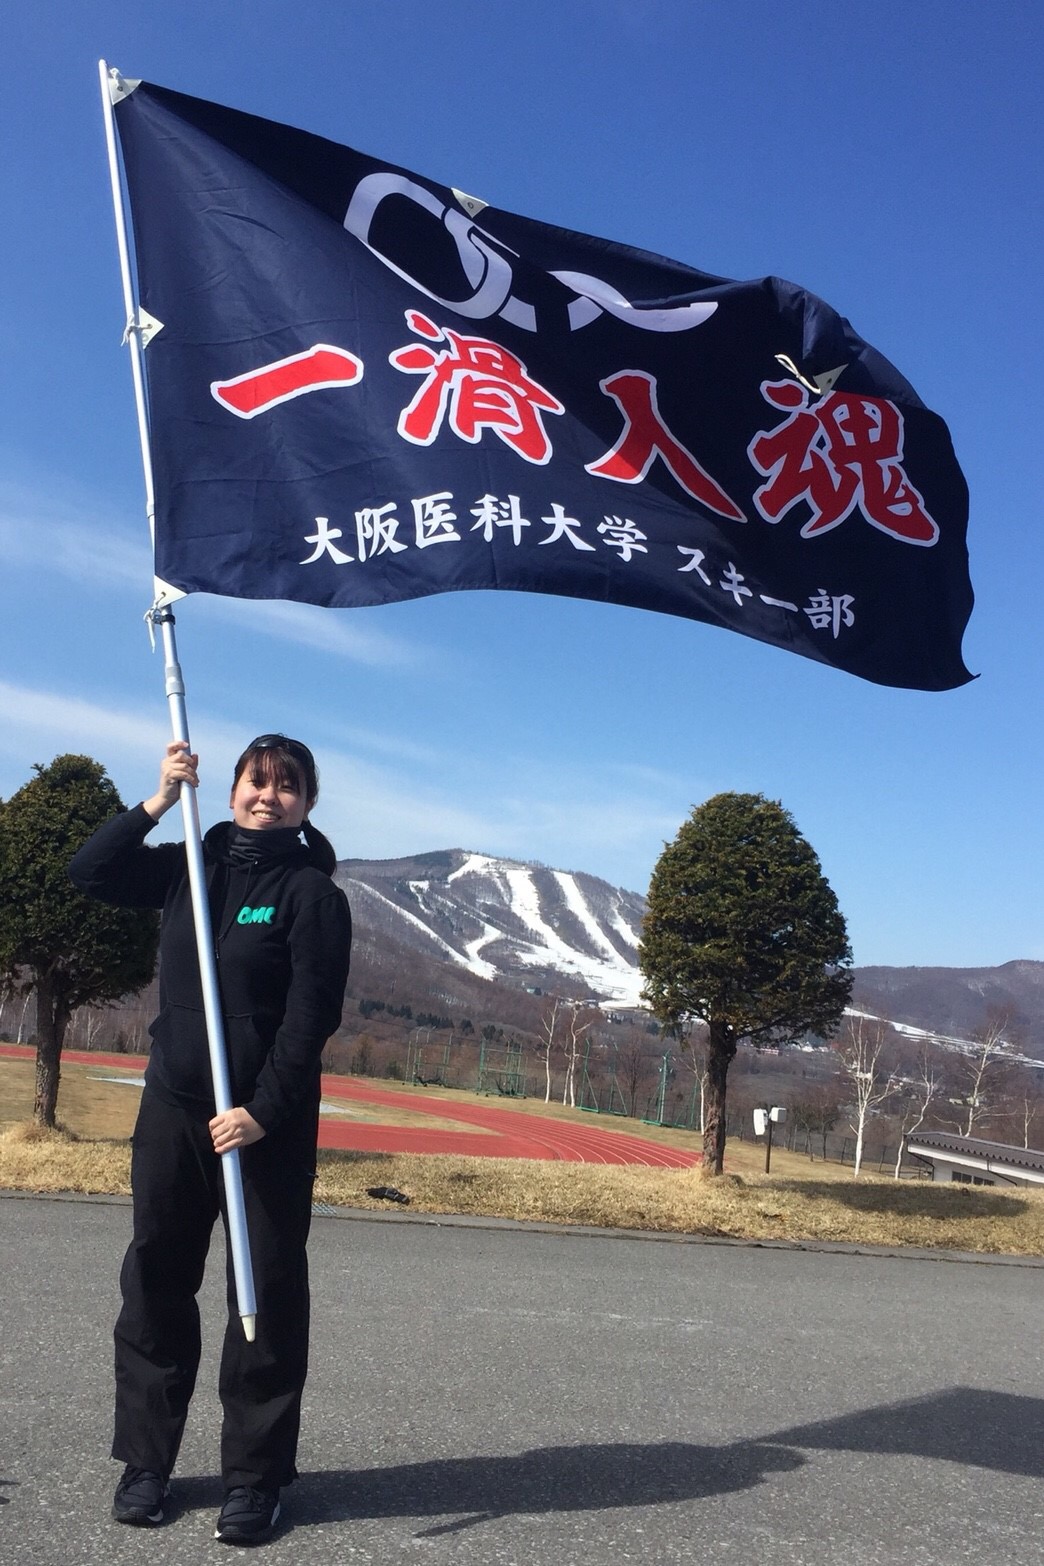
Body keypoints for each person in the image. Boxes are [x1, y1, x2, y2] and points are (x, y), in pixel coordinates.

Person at [69, 734, 352, 1545]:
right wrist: (159, 799)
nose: (269, 796)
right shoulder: (189, 869)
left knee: (265, 1295)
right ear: (230, 792)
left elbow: (310, 1019)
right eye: (256, 782)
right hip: (174, 1112)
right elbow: (90, 872)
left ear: (307, 803)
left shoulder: (312, 896)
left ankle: (256, 1480)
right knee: (156, 1282)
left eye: (288, 786)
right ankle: (146, 1464)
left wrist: (261, 1110)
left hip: (263, 1125)